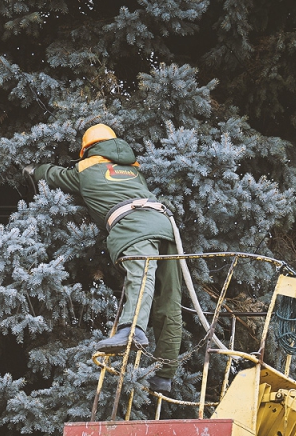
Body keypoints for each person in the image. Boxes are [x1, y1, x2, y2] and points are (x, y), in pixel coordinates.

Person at [25, 124, 182, 393]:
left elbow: (54, 175)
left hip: (133, 225)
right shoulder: (133, 169)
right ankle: (164, 375)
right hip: (166, 224)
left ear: (87, 150)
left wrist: (32, 170)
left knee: (141, 276)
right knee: (170, 298)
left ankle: (132, 331)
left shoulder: (86, 169)